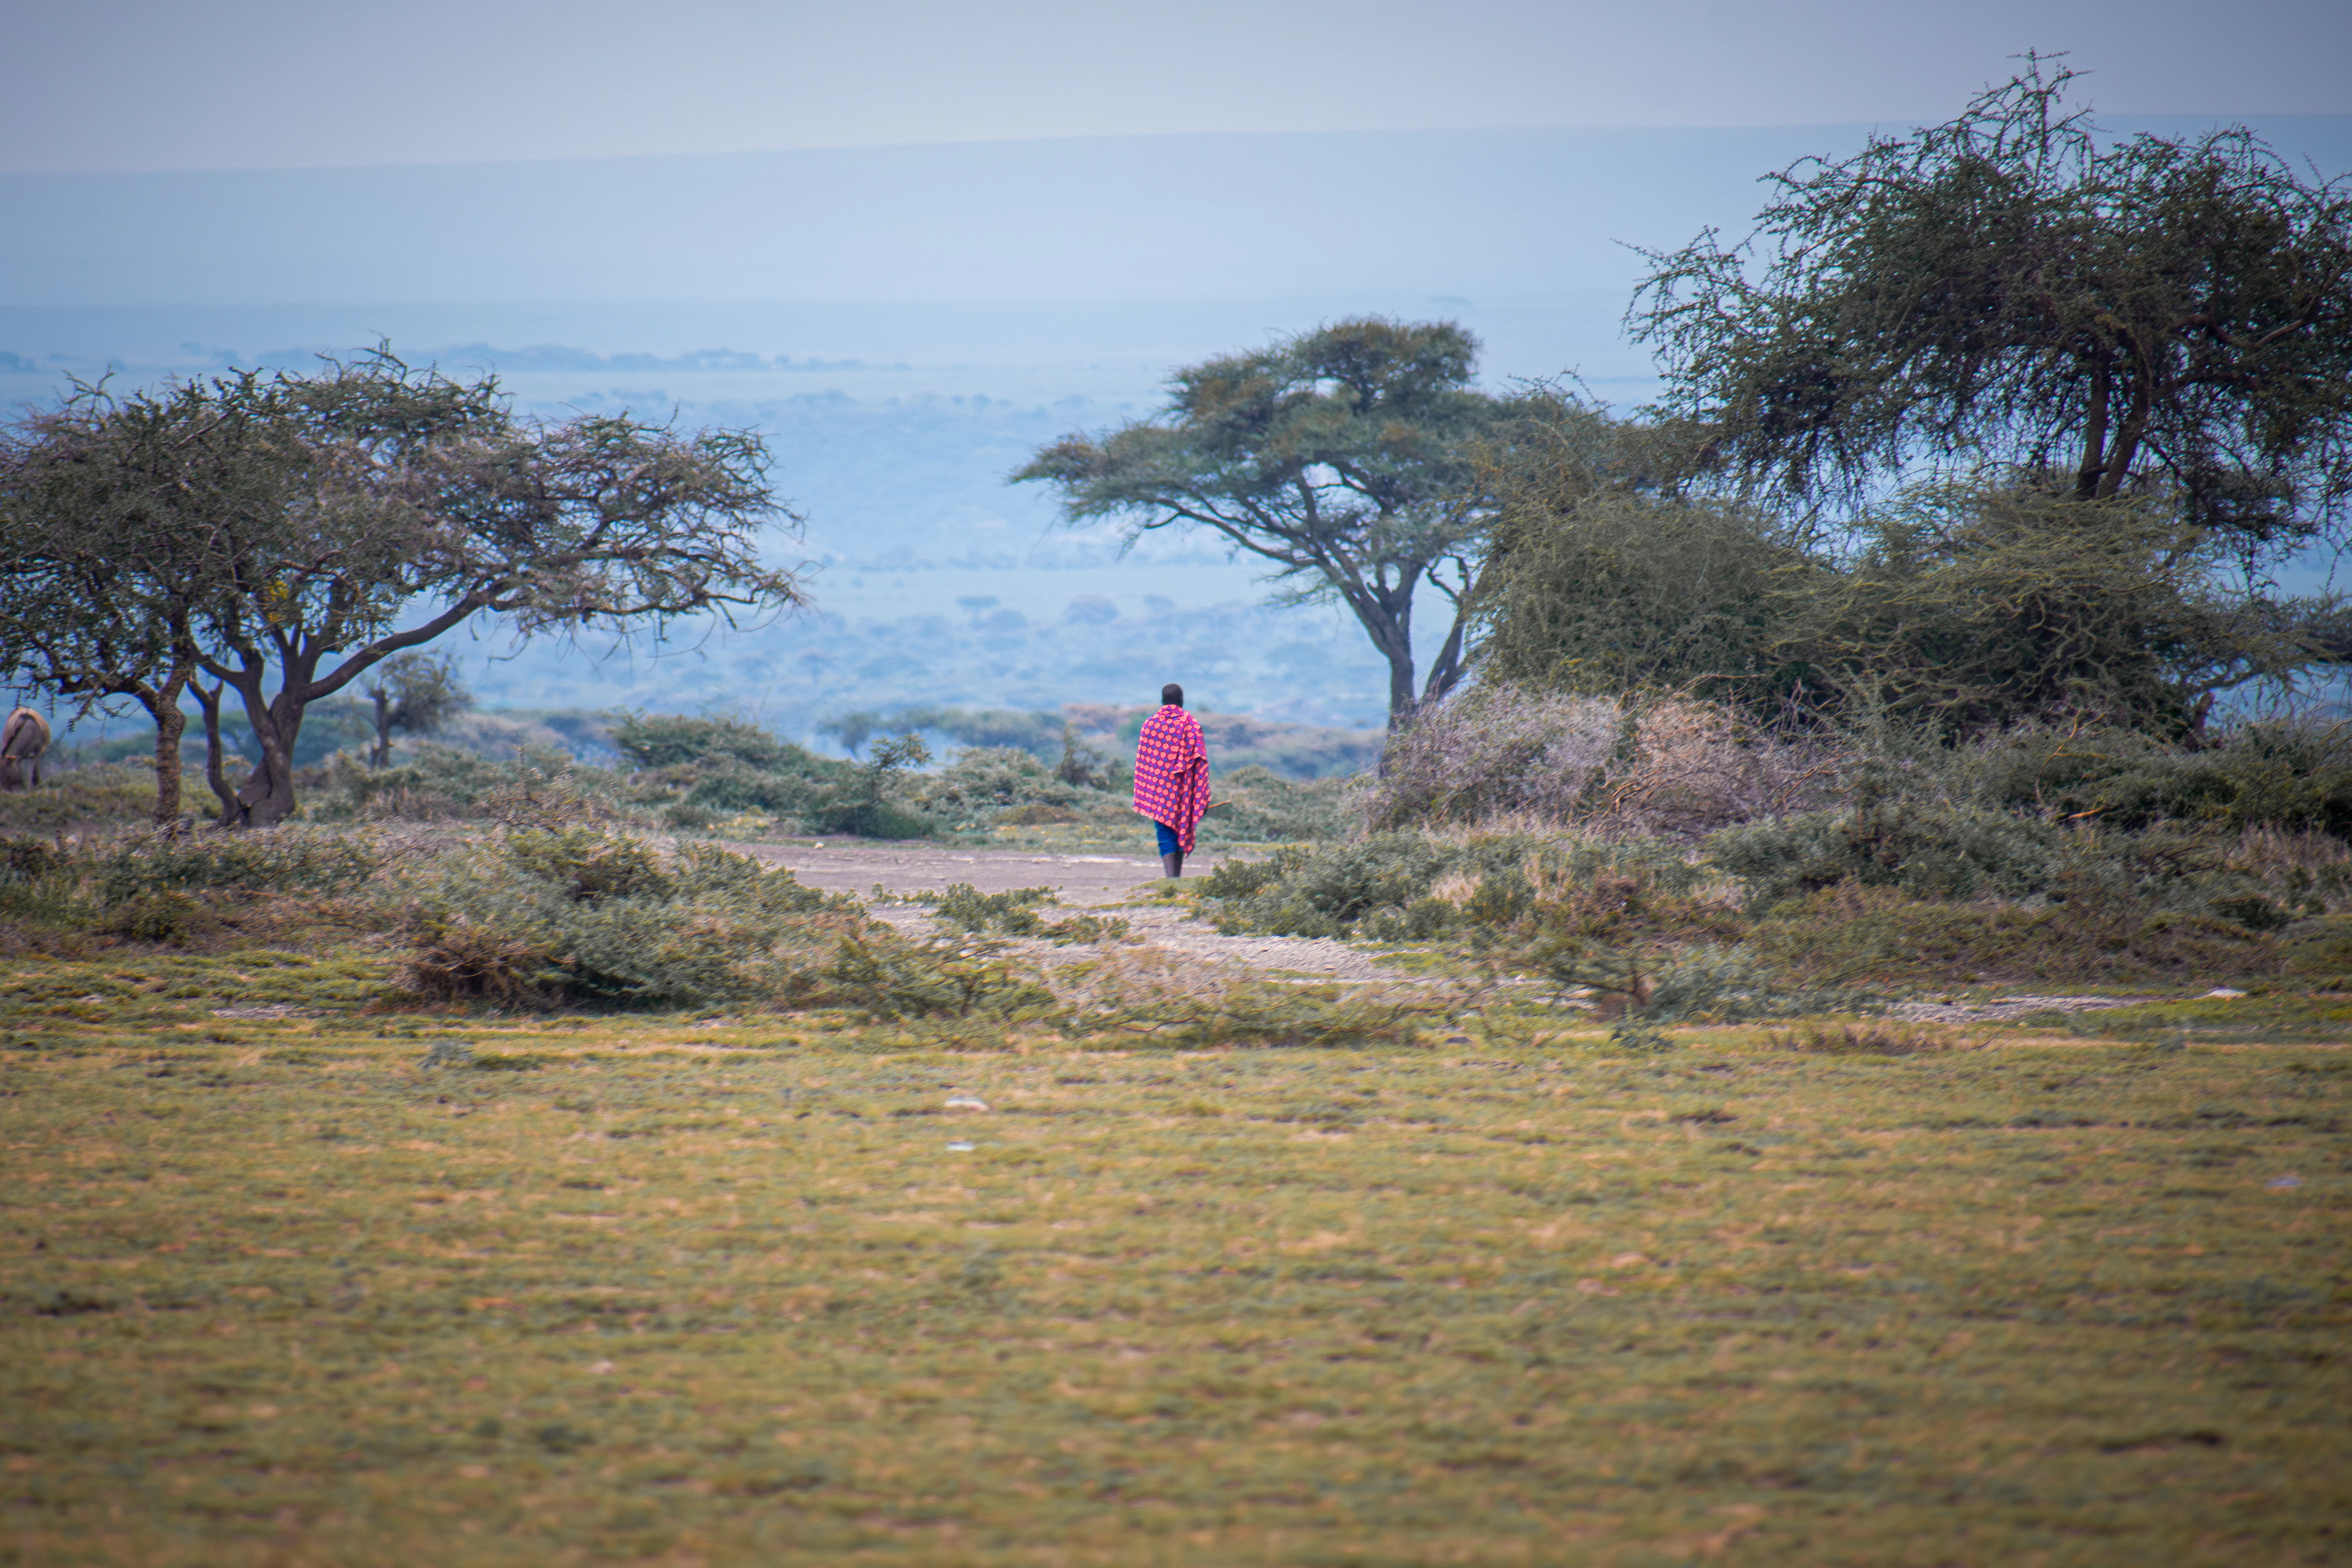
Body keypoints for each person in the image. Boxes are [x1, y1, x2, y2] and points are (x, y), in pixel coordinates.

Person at [1132, 682, 1209, 878]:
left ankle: (1171, 878)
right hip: (1185, 790)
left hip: (1158, 791)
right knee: (1182, 828)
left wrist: (1150, 789)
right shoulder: (1191, 725)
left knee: (1165, 833)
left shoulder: (1150, 725)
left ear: (1162, 701)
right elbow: (1200, 763)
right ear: (1182, 701)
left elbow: (1144, 763)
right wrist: (1202, 795)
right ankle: (1176, 877)